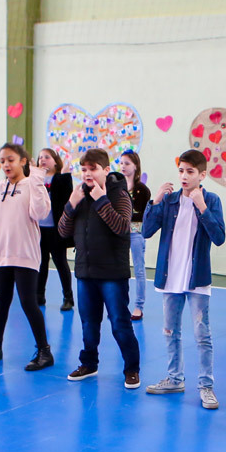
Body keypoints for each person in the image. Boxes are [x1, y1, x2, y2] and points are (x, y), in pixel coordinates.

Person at [141, 149, 226, 409]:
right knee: (170, 331)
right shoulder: (169, 200)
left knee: (202, 335)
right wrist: (155, 201)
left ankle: (206, 386)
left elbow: (219, 237)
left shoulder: (211, 200)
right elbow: (146, 231)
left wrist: (202, 207)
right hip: (170, 278)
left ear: (202, 175)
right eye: (181, 171)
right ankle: (175, 378)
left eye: (190, 171)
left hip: (196, 278)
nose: (184, 176)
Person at [57, 148, 141, 389]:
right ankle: (89, 363)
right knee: (88, 323)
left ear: (105, 170)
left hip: (112, 274)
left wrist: (101, 200)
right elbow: (63, 232)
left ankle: (132, 368)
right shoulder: (79, 195)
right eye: (83, 169)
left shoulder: (119, 195)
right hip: (85, 272)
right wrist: (71, 205)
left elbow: (122, 227)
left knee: (119, 323)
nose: (87, 174)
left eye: (92, 169)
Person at [0, 143, 55, 371]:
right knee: (1, 302)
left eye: (10, 160)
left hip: (25, 255)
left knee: (28, 302)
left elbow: (39, 212)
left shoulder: (32, 186)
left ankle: (44, 351)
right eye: (2, 161)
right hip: (1, 256)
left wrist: (37, 179)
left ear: (23, 161)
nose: (6, 164)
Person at [35, 148, 74, 311]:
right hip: (40, 229)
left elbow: (67, 197)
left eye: (47, 157)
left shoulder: (59, 178)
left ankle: (68, 297)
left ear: (55, 161)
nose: (43, 160)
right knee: (41, 264)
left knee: (61, 263)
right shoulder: (36, 179)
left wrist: (66, 175)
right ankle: (39, 295)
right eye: (40, 157)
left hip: (56, 230)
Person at [118, 150, 152, 320]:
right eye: (121, 163)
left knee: (139, 270)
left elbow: (145, 214)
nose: (123, 166)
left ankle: (139, 306)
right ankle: (119, 304)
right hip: (119, 233)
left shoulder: (142, 190)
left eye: (127, 163)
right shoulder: (116, 187)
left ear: (135, 166)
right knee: (119, 270)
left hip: (136, 233)